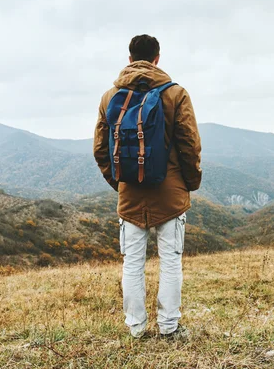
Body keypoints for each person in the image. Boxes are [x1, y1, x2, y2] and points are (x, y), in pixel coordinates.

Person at [93, 34, 202, 338]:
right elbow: (189, 145)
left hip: (130, 194)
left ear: (129, 59)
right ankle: (169, 327)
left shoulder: (109, 97)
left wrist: (120, 183)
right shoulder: (176, 94)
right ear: (157, 58)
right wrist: (189, 183)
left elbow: (101, 150)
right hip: (170, 194)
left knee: (132, 264)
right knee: (170, 262)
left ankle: (136, 329)